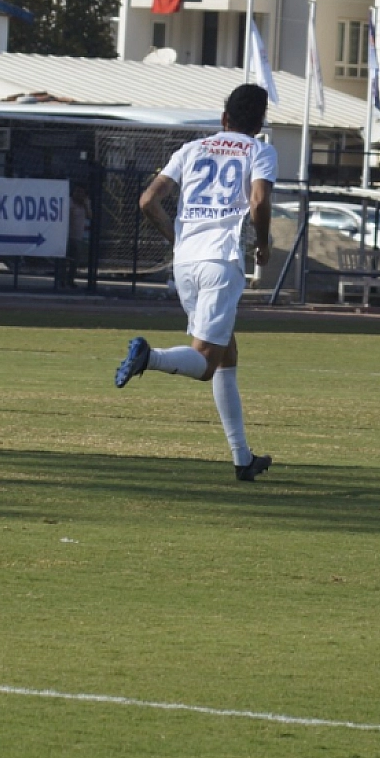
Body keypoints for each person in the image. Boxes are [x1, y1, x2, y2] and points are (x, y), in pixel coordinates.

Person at [114, 83, 276, 482]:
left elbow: (148, 200)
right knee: (204, 363)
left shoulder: (192, 148)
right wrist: (264, 244)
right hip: (221, 259)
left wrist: (178, 238)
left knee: (226, 355)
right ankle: (149, 356)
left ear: (224, 119)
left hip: (186, 261)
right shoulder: (260, 150)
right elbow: (258, 201)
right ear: (259, 123)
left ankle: (242, 458)